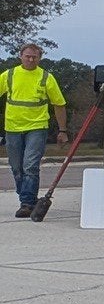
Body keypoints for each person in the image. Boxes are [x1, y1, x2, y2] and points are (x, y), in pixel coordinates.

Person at [6, 43, 68, 218]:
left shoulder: (46, 77)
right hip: (13, 127)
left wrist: (62, 130)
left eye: (34, 57)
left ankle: (26, 203)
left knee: (30, 166)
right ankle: (28, 198)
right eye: (27, 56)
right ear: (21, 56)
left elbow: (59, 104)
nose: (31, 59)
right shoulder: (9, 75)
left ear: (40, 58)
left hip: (37, 127)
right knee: (16, 167)